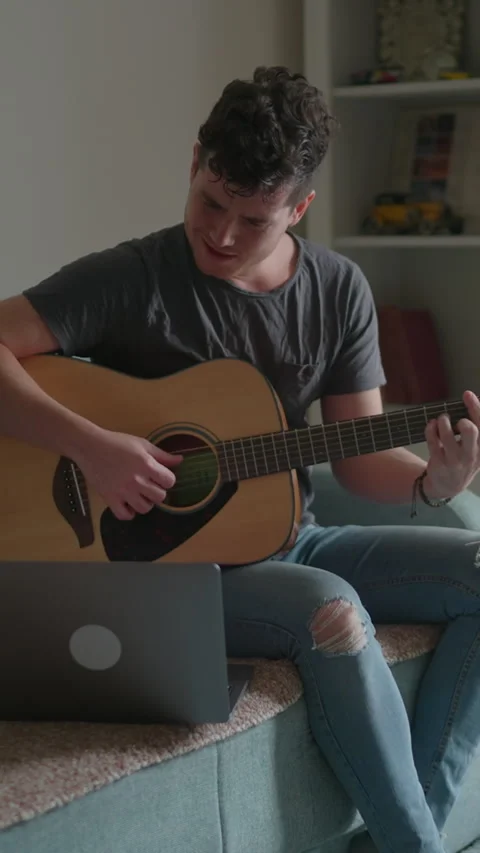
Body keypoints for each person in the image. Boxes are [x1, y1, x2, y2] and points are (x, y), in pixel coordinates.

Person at [1, 65, 480, 853]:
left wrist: (435, 480)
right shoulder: (133, 277)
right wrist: (94, 448)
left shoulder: (337, 290)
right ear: (195, 164)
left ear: (299, 208)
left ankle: (403, 837)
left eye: (253, 218)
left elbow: (359, 457)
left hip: (288, 535)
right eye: (210, 202)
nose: (221, 234)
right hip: (167, 571)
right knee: (331, 609)